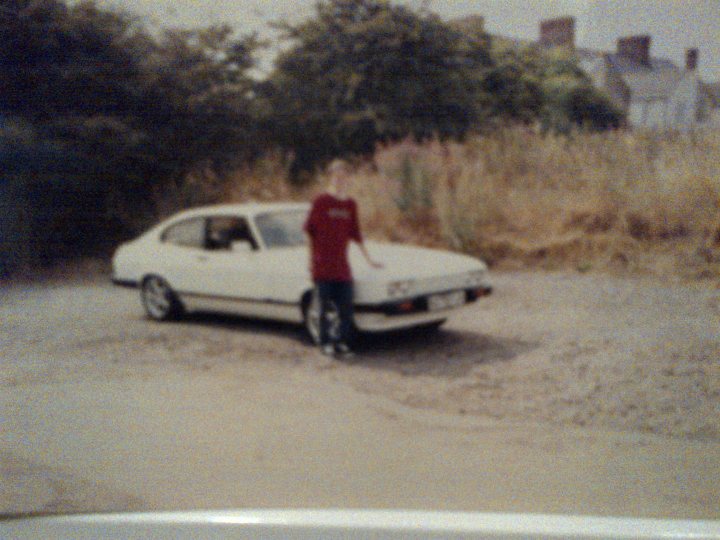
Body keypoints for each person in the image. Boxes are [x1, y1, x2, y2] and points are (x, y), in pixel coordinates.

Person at [303, 159, 383, 358]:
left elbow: (356, 234)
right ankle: (325, 343)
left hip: (342, 267)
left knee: (346, 309)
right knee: (323, 309)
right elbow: (308, 231)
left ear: (348, 179)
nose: (340, 180)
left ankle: (341, 343)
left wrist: (369, 260)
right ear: (331, 177)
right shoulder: (320, 201)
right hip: (322, 266)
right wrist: (310, 259)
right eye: (336, 176)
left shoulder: (350, 204)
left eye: (344, 176)